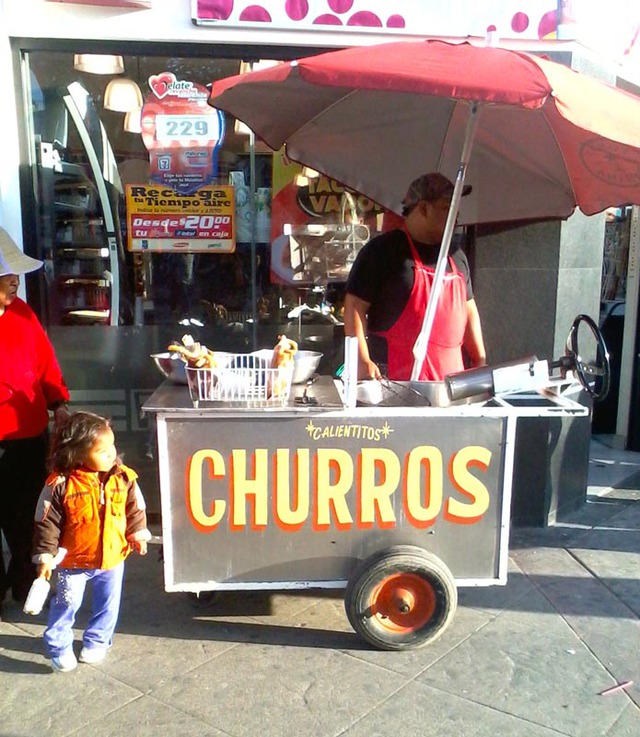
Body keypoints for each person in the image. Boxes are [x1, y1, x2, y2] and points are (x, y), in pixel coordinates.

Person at [32, 411, 151, 672]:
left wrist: (137, 533)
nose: (112, 454)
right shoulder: (60, 485)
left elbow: (136, 508)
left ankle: (98, 640)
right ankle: (58, 645)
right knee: (65, 604)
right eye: (102, 451)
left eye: (112, 447)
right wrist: (45, 556)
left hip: (112, 559)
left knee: (108, 605)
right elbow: (46, 523)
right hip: (72, 563)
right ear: (77, 454)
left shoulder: (124, 477)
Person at [344, 172, 486, 381]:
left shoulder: (456, 255)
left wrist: (480, 360)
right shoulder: (382, 251)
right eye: (447, 208)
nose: (455, 215)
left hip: (451, 386)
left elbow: (469, 309)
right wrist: (361, 360)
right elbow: (354, 306)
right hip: (396, 385)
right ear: (423, 208)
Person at [0, 227, 70, 606]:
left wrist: (58, 403)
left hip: (25, 439)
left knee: (28, 517)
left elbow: (45, 365)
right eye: (5, 275)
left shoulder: (23, 315)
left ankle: (27, 582)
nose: (15, 281)